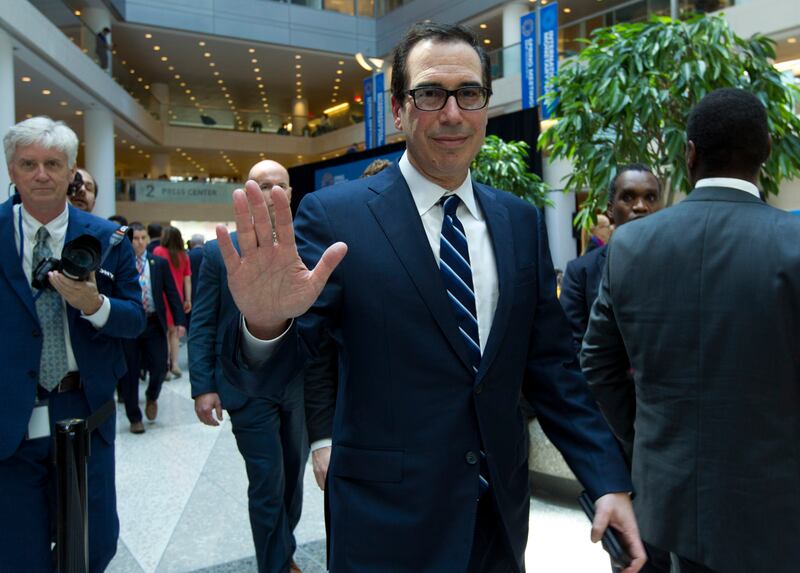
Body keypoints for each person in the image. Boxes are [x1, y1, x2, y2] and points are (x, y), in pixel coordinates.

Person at [217, 23, 645, 573]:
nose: (451, 113)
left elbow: (553, 369)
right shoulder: (337, 218)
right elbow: (283, 370)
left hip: (497, 518)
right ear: (398, 109)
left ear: (485, 107)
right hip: (386, 525)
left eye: (469, 93)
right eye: (429, 94)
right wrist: (265, 321)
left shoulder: (517, 221)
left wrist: (606, 478)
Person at [581, 88, 800, 573]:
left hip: (669, 497)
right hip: (777, 502)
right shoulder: (793, 241)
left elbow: (598, 363)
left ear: (690, 153)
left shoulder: (632, 244)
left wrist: (646, 438)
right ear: (767, 148)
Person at [0, 116, 144, 572]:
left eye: (52, 163)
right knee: (17, 550)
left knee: (94, 543)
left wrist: (95, 304)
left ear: (71, 171)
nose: (41, 174)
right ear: (11, 170)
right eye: (28, 164)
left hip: (84, 408)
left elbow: (135, 319)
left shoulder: (107, 238)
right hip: (11, 416)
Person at [188, 159, 307, 573]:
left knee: (293, 480)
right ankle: (273, 565)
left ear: (290, 193)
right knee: (267, 482)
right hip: (245, 384)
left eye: (280, 185)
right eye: (261, 184)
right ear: (245, 191)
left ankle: (284, 549)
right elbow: (202, 320)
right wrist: (203, 385)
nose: (272, 192)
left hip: (298, 384)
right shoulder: (219, 253)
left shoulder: (307, 245)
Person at [561, 165, 661, 354]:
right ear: (610, 210)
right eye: (628, 197)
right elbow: (571, 345)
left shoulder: (679, 264)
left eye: (650, 198)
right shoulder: (581, 272)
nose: (640, 206)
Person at [121, 222, 185, 433]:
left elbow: (172, 292)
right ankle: (134, 417)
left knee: (159, 366)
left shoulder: (158, 263)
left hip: (153, 322)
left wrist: (179, 321)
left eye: (143, 238)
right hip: (129, 324)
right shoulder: (121, 263)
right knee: (129, 372)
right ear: (128, 241)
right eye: (135, 238)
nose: (139, 242)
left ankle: (152, 395)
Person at [154, 226, 191, 378]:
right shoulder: (184, 256)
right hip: (177, 297)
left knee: (164, 333)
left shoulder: (158, 252)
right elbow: (187, 280)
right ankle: (175, 364)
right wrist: (188, 299)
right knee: (175, 333)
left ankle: (166, 367)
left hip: (162, 296)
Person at [186, 233, 205, 332]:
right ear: (203, 242)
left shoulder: (187, 256)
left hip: (190, 290)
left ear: (192, 243)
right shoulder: (208, 254)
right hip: (205, 289)